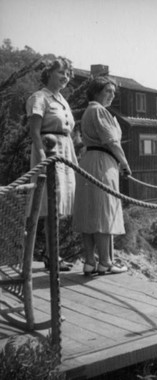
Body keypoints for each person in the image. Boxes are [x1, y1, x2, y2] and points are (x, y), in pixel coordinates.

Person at [72, 76, 131, 276]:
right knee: (103, 212)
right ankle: (105, 262)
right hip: (102, 163)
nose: (112, 96)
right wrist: (125, 164)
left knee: (89, 212)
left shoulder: (89, 111)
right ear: (96, 91)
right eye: (108, 91)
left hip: (89, 161)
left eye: (114, 92)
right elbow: (112, 142)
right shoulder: (98, 110)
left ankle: (90, 261)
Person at [26, 57, 78, 271]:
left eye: (67, 74)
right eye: (61, 72)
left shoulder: (62, 100)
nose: (65, 77)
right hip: (48, 151)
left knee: (58, 206)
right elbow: (34, 132)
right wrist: (41, 156)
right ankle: (48, 256)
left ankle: (52, 254)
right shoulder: (40, 98)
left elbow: (69, 131)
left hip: (65, 152)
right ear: (49, 73)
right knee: (48, 205)